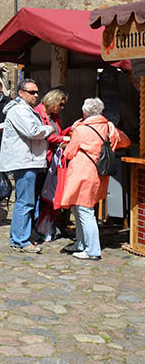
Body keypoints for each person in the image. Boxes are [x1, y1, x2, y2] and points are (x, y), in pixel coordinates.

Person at [60, 97, 130, 261]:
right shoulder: (109, 127)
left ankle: (92, 250)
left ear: (84, 112)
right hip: (99, 174)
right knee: (80, 210)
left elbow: (68, 153)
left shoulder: (81, 129)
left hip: (81, 173)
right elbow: (126, 142)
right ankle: (81, 243)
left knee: (84, 211)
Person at [0, 79, 53, 253]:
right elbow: (32, 132)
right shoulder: (20, 110)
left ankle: (20, 236)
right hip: (24, 160)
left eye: (37, 92)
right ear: (21, 93)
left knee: (25, 201)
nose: (36, 95)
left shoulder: (24, 109)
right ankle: (20, 240)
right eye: (31, 92)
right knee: (25, 202)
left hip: (28, 159)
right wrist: (49, 129)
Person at [34, 88, 72, 241]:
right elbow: (44, 135)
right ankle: (36, 227)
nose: (62, 108)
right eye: (60, 104)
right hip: (40, 157)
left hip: (52, 159)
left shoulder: (54, 116)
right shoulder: (37, 113)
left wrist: (70, 131)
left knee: (47, 195)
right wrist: (63, 139)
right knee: (38, 193)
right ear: (53, 101)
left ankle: (43, 226)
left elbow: (58, 134)